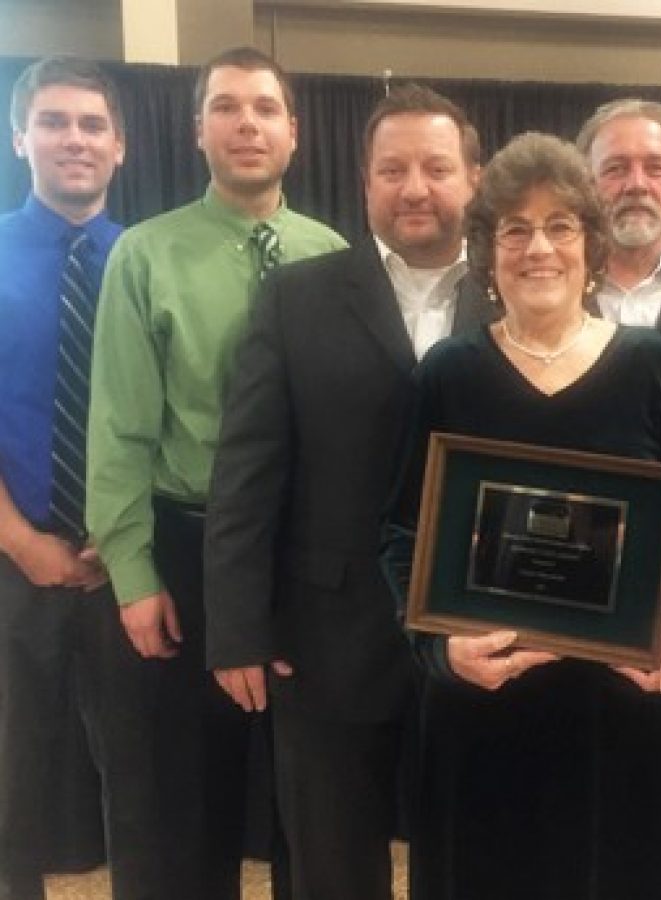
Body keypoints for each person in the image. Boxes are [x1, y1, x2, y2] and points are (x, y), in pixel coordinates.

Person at [382, 131, 661, 900]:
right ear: (488, 250)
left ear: (591, 243)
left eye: (560, 225)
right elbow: (402, 535)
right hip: (487, 708)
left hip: (629, 710)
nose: (538, 247)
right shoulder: (450, 372)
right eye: (515, 228)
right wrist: (440, 651)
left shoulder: (650, 366)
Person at [202, 83, 495, 900]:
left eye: (436, 168)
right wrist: (236, 630)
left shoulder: (520, 295)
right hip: (325, 638)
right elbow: (247, 473)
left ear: (473, 177)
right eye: (391, 169)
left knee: (471, 856)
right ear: (363, 182)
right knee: (332, 869)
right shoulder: (296, 298)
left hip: (480, 638)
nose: (413, 188)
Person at [85, 46, 346, 900]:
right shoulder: (146, 256)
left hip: (302, 565)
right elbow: (118, 428)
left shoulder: (335, 256)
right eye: (226, 107)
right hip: (185, 556)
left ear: (294, 134)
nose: (247, 124)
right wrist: (133, 574)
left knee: (307, 809)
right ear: (196, 130)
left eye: (265, 108)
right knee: (181, 810)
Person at [0, 56, 159, 900]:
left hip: (125, 568)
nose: (74, 139)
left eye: (93, 124)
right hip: (10, 556)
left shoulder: (148, 262)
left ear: (122, 146)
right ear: (19, 136)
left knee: (141, 781)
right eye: (55, 121)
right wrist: (22, 541)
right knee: (9, 777)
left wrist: (124, 539)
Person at [576, 98, 661, 347]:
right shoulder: (547, 289)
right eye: (616, 169)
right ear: (585, 189)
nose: (637, 185)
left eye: (655, 168)